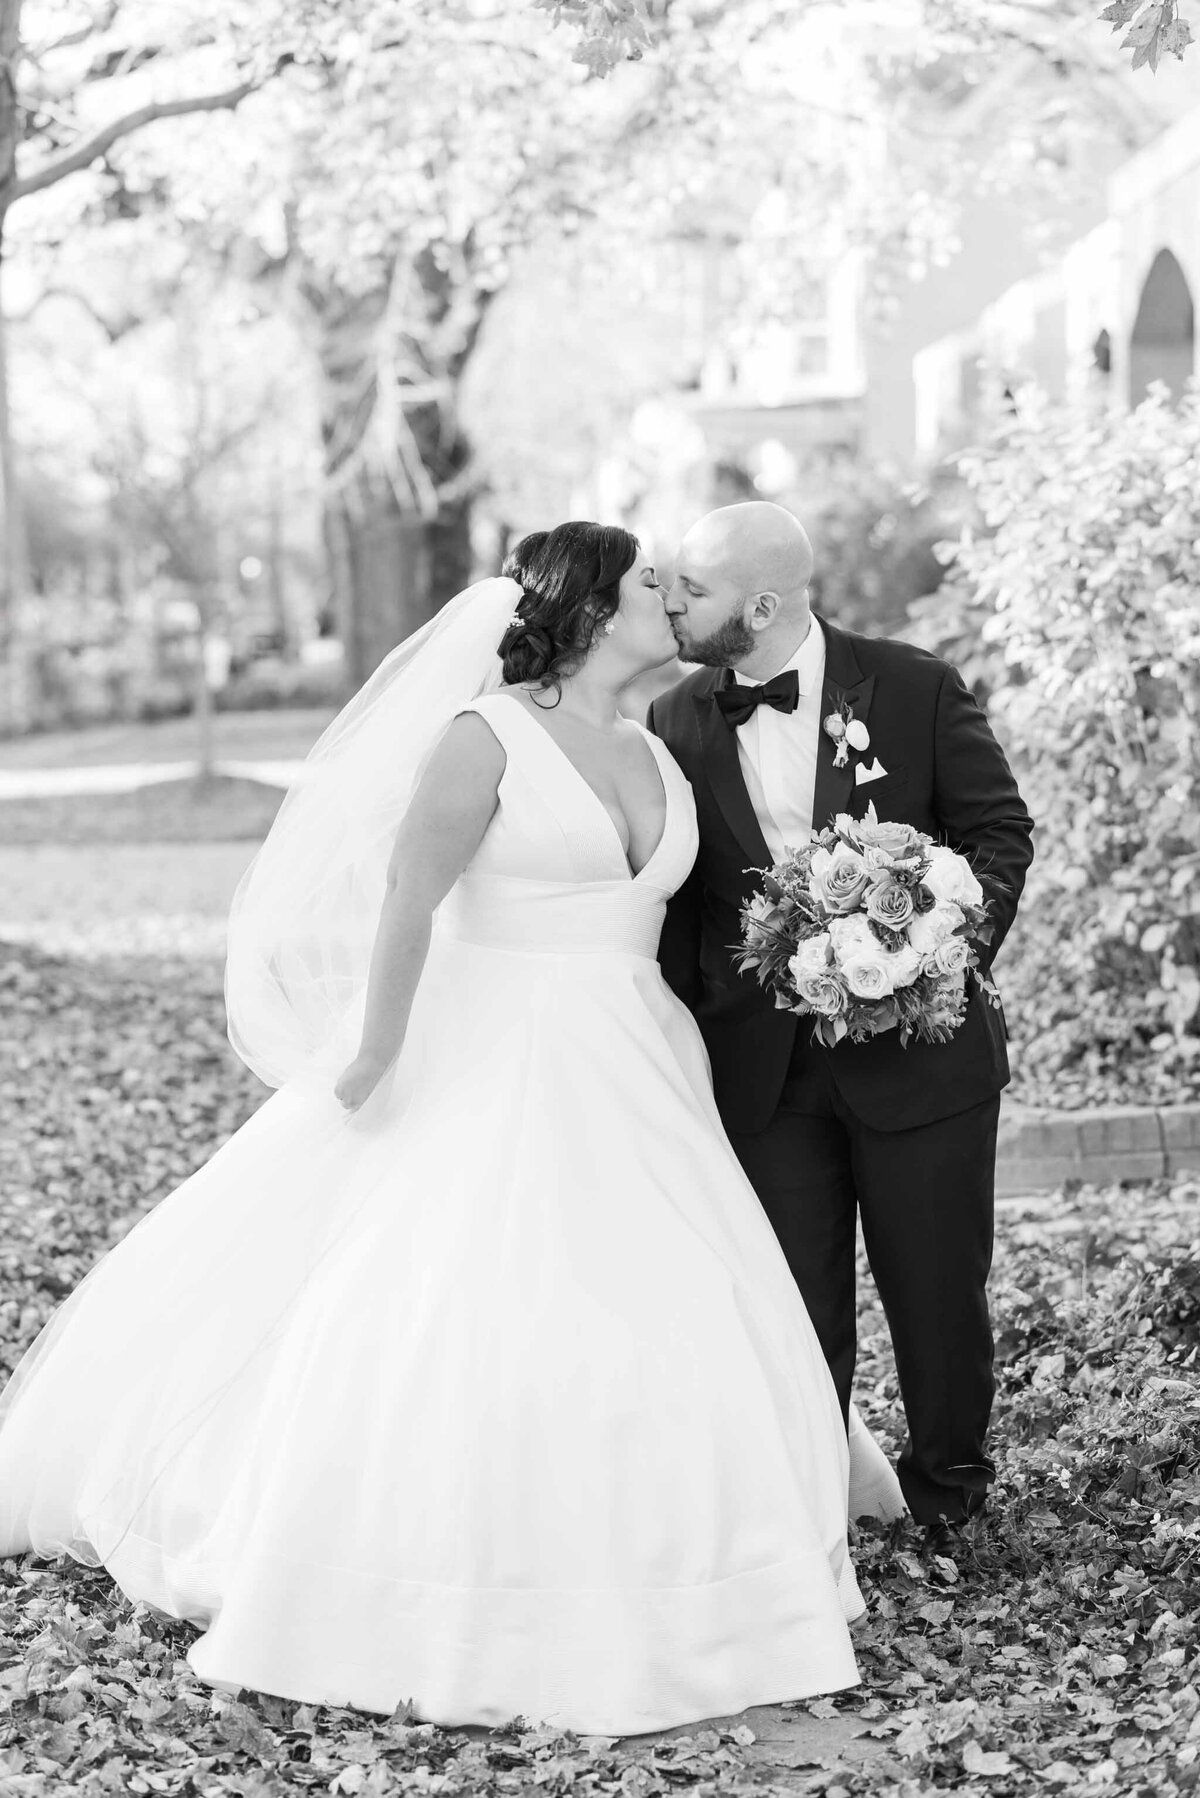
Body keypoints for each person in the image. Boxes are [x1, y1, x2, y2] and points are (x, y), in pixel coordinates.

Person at [0, 522, 900, 1738]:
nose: (669, 598)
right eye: (647, 582)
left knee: (664, 1303)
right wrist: (374, 1049)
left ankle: (702, 1551)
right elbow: (406, 899)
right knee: (471, 1299)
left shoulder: (658, 749)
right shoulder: (485, 738)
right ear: (586, 611)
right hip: (503, 1053)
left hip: (640, 1063)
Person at [649, 502, 1035, 1545]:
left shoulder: (912, 686)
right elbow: (682, 909)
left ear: (762, 604)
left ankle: (950, 1495)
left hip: (923, 1053)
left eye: (692, 586)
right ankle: (809, 1514)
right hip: (765, 1072)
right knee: (793, 1303)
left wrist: (935, 954)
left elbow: (999, 833)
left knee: (937, 1293)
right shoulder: (676, 721)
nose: (669, 600)